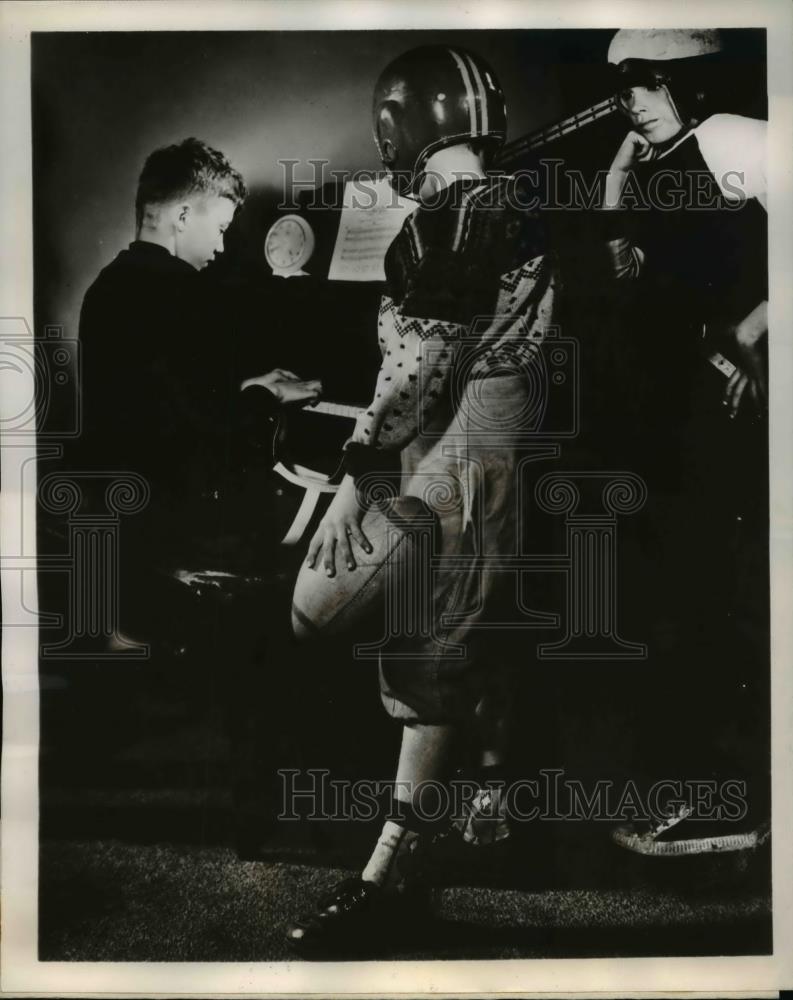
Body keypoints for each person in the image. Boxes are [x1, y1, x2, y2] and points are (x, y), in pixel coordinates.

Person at [285, 46, 560, 952]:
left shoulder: (442, 223)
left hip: (452, 456)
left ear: (397, 127)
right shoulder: (516, 198)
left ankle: (392, 875)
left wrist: (352, 478)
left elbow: (414, 375)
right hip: (498, 446)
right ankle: (488, 816)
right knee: (467, 642)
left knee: (421, 657)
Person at [74, 137, 322, 852]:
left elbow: (163, 406)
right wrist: (267, 401)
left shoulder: (115, 285)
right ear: (182, 214)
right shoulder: (176, 294)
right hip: (172, 521)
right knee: (293, 580)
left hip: (126, 511)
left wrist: (244, 391)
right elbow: (200, 435)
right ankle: (270, 815)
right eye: (218, 225)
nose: (222, 243)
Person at [598, 29, 770, 855]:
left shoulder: (733, 137)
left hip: (722, 405)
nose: (631, 99)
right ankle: (692, 784)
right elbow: (625, 271)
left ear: (691, 85)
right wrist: (614, 178)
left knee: (710, 599)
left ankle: (730, 799)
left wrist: (752, 331)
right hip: (667, 406)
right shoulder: (659, 163)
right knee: (673, 597)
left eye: (648, 83)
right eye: (624, 85)